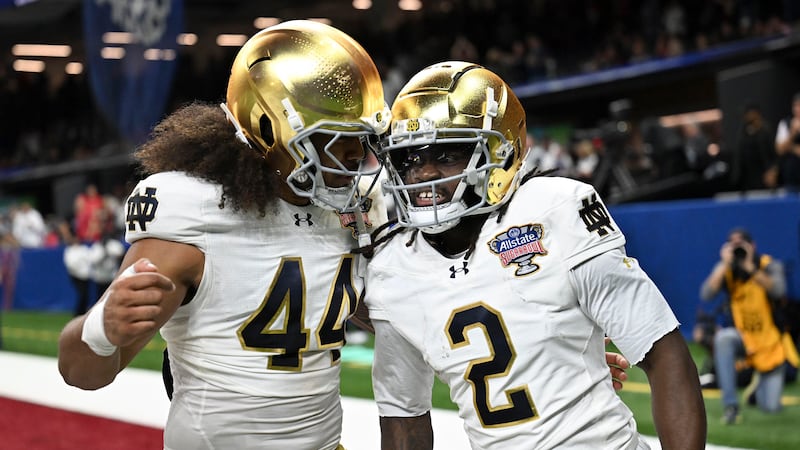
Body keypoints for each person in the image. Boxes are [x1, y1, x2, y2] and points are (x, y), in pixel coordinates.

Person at [58, 20, 391, 449]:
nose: (354, 158)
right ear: (270, 128)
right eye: (333, 139)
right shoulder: (194, 210)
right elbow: (82, 372)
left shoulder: (349, 208)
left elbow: (351, 310)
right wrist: (103, 329)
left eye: (361, 139)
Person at [360, 61, 706, 449]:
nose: (423, 174)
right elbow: (403, 422)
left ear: (500, 152)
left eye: (446, 155)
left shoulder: (553, 209)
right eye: (410, 158)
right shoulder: (392, 268)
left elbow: (663, 351)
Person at [700, 227, 792, 425]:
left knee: (771, 408)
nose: (738, 249)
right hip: (744, 338)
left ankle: (756, 391)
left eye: (742, 244)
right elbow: (706, 294)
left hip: (770, 342)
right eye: (734, 245)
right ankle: (731, 405)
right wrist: (723, 264)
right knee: (724, 338)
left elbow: (779, 291)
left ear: (752, 246)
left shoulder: (767, 264)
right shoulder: (728, 270)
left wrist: (751, 267)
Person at [773, 91, 800, 189]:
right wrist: (792, 134)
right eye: (795, 106)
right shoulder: (785, 123)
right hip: (791, 176)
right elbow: (779, 149)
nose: (797, 109)